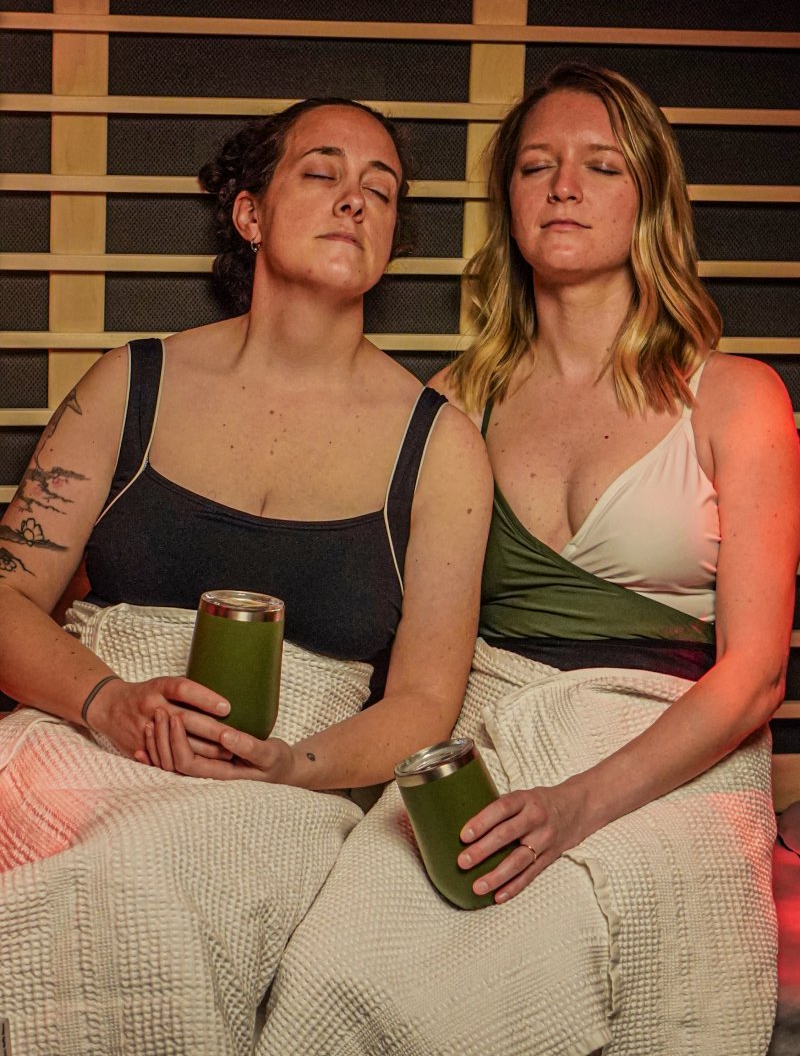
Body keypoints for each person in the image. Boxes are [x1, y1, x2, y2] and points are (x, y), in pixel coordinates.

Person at [255, 65, 800, 1056]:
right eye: (536, 166)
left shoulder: (733, 397)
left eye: (599, 165)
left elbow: (756, 672)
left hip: (665, 756)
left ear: (647, 201)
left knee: (535, 951)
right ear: (506, 202)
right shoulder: (455, 404)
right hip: (491, 736)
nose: (561, 186)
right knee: (338, 962)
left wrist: (572, 806)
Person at [0, 98, 492, 1055]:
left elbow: (429, 696)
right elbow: (7, 595)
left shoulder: (439, 444)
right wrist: (110, 704)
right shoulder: (129, 384)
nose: (356, 200)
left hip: (288, 787)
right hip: (89, 733)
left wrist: (291, 764)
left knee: (157, 877)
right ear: (250, 213)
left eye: (381, 191)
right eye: (322, 173)